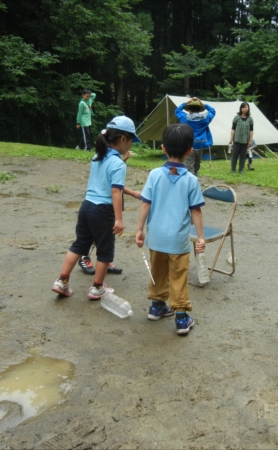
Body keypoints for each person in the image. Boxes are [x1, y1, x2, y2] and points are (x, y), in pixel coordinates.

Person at [52, 116, 141, 300]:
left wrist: (132, 193)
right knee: (105, 250)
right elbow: (115, 192)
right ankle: (97, 287)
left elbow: (109, 183)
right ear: (123, 139)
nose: (132, 144)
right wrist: (119, 219)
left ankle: (62, 281)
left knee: (79, 245)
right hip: (103, 211)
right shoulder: (117, 164)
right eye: (132, 139)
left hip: (86, 207)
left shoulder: (97, 157)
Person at [135, 123, 206, 335]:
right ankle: (182, 318)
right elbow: (196, 212)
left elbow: (145, 203)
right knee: (178, 277)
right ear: (189, 150)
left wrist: (139, 229)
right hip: (178, 241)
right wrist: (201, 237)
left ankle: (157, 307)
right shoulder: (191, 180)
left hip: (155, 238)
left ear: (163, 148)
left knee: (157, 272)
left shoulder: (154, 174)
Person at [77, 150, 141, 276]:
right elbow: (113, 186)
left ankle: (105, 262)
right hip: (102, 206)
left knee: (107, 235)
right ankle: (85, 258)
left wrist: (124, 159)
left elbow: (113, 177)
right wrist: (133, 193)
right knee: (97, 236)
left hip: (107, 207)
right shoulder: (100, 158)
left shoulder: (110, 159)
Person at [175, 97, 216, 176]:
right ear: (199, 110)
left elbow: (177, 111)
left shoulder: (185, 118)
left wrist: (186, 102)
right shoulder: (205, 119)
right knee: (197, 164)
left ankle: (191, 181)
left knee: (189, 164)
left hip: (190, 145)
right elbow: (213, 111)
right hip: (201, 145)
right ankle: (195, 177)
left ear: (189, 110)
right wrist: (202, 103)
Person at [228, 102, 254, 174]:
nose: (245, 109)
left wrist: (250, 140)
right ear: (241, 108)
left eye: (246, 107)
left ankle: (241, 170)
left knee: (243, 156)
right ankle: (233, 169)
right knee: (235, 155)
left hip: (245, 141)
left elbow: (251, 131)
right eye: (243, 107)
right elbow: (233, 129)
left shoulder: (250, 119)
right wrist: (231, 139)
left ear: (248, 108)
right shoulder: (236, 117)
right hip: (236, 140)